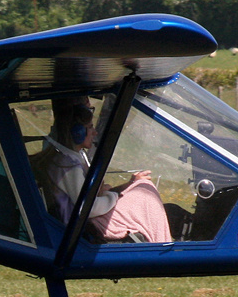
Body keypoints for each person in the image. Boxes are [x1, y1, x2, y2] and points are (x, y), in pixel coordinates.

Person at [35, 99, 172, 243]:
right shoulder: (68, 166)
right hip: (82, 226)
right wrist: (111, 196)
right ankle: (162, 247)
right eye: (90, 127)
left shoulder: (68, 158)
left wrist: (129, 184)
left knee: (143, 187)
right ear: (77, 133)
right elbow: (88, 207)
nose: (94, 132)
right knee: (145, 199)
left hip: (85, 220)